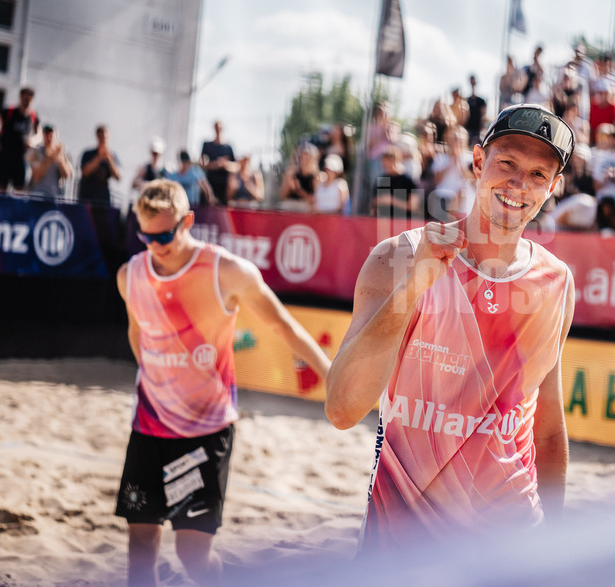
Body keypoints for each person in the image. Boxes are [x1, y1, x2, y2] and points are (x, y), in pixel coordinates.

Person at [325, 103, 575, 551]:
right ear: (478, 162)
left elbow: (548, 429)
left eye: (539, 175)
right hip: (404, 546)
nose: (520, 184)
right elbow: (342, 408)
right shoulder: (398, 257)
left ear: (554, 188)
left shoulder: (556, 280)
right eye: (508, 163)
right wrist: (417, 283)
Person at [116, 179, 331, 586]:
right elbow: (135, 333)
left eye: (164, 234)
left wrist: (331, 376)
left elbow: (284, 327)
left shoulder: (227, 271)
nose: (155, 244)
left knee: (193, 556)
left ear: (188, 222)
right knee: (140, 546)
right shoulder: (131, 276)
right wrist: (158, 374)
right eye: (146, 235)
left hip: (206, 430)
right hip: (148, 427)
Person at [0, 86, 40, 193]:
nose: (27, 102)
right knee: (1, 189)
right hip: (5, 157)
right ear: (20, 98)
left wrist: (32, 141)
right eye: (25, 98)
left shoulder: (33, 116)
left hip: (21, 158)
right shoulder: (9, 112)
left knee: (19, 190)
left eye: (29, 99)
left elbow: (39, 134)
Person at [371, 145, 420, 219]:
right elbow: (373, 202)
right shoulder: (381, 179)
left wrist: (392, 201)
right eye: (385, 164)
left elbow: (413, 206)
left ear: (397, 160)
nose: (387, 167)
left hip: (403, 221)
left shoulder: (408, 180)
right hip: (384, 221)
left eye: (389, 163)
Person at [26, 123, 72, 200]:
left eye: (51, 135)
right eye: (47, 135)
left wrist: (60, 159)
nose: (49, 138)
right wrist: (49, 160)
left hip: (55, 195)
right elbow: (36, 176)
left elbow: (67, 175)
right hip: (38, 194)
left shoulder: (61, 152)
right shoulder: (36, 152)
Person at [78, 125, 122, 204]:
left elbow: (118, 176)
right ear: (97, 136)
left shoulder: (112, 155)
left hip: (103, 199)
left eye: (105, 134)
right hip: (87, 197)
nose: (103, 137)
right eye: (101, 134)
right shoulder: (88, 153)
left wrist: (110, 160)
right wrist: (99, 158)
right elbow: (84, 172)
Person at [201, 121, 236, 206]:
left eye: (220, 128)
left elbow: (236, 166)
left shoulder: (228, 147)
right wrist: (215, 165)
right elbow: (202, 164)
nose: (218, 130)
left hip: (224, 187)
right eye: (216, 127)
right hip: (210, 185)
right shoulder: (207, 145)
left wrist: (225, 164)